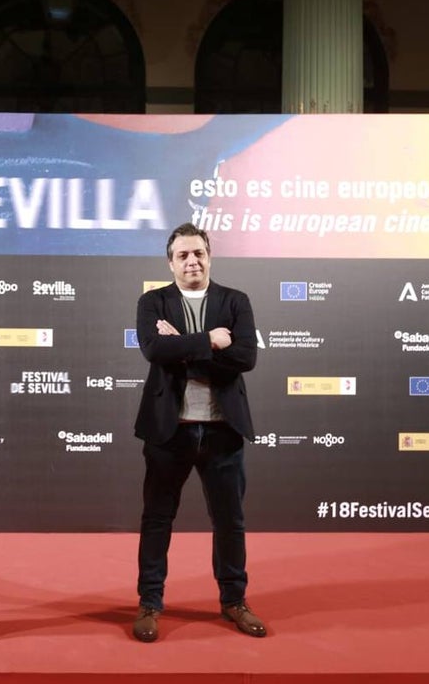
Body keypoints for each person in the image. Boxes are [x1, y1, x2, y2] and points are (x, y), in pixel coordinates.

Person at [130, 222, 267, 643]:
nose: (192, 261)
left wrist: (186, 347)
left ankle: (234, 600)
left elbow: (245, 358)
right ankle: (150, 603)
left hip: (223, 431)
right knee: (157, 519)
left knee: (230, 521)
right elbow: (154, 349)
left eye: (199, 253)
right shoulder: (152, 302)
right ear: (170, 263)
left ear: (210, 257)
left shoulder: (235, 301)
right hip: (169, 432)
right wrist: (210, 340)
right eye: (183, 255)